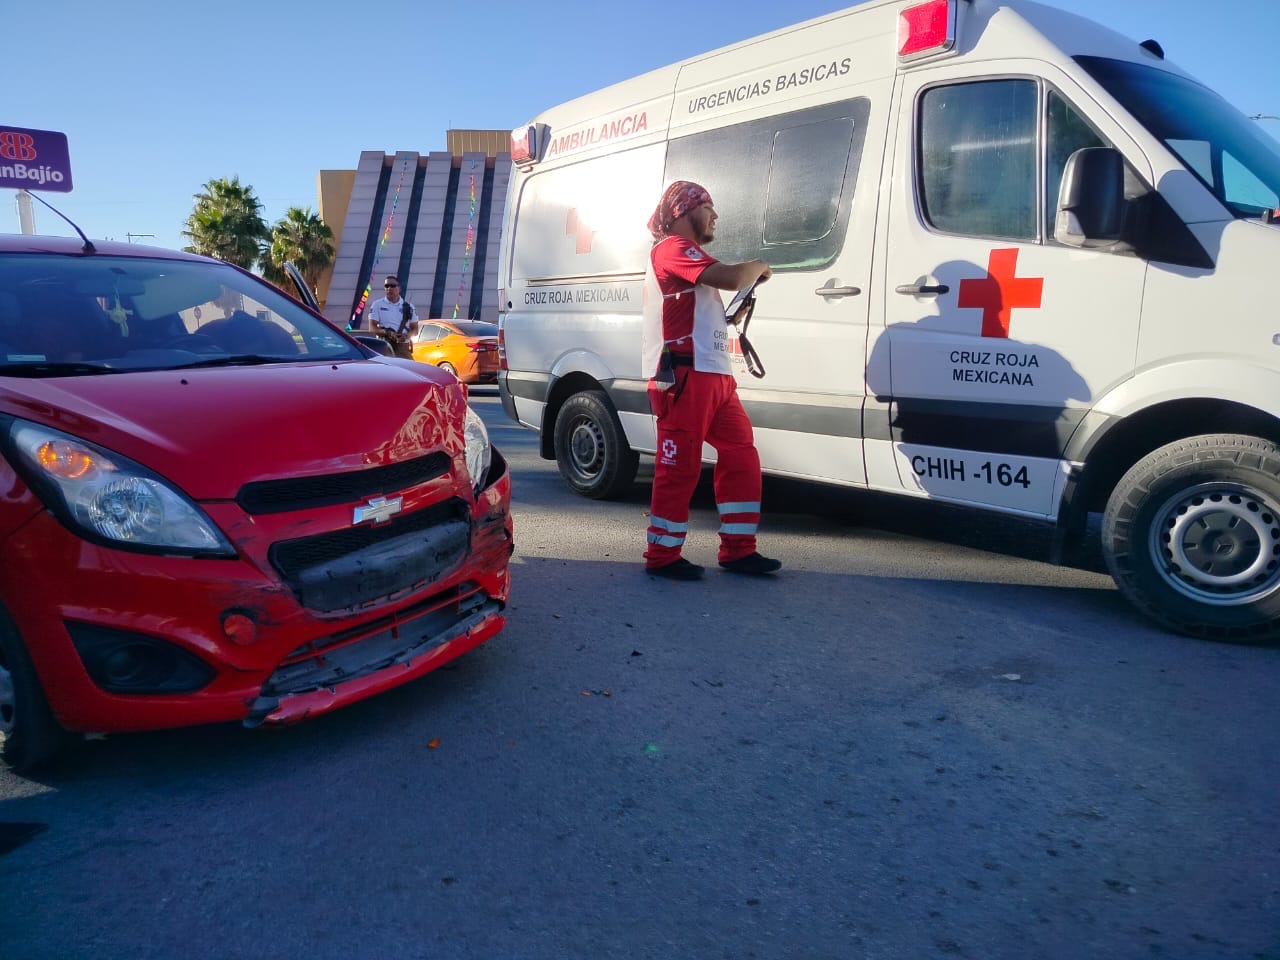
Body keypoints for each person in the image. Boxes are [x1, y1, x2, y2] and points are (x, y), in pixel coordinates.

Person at [641, 180, 781, 581]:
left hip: (713, 374)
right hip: (684, 375)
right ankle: (662, 555)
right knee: (679, 467)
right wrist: (758, 267)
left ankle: (739, 549)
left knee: (741, 456)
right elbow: (732, 277)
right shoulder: (672, 247)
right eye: (708, 207)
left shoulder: (690, 256)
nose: (715, 215)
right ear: (684, 211)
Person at [366, 275, 418, 359]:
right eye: (386, 286)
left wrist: (406, 336)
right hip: (384, 345)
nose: (389, 288)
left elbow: (415, 329)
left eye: (392, 286)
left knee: (408, 366)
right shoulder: (377, 304)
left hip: (402, 347)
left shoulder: (409, 306)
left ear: (399, 288)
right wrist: (388, 333)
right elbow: (372, 328)